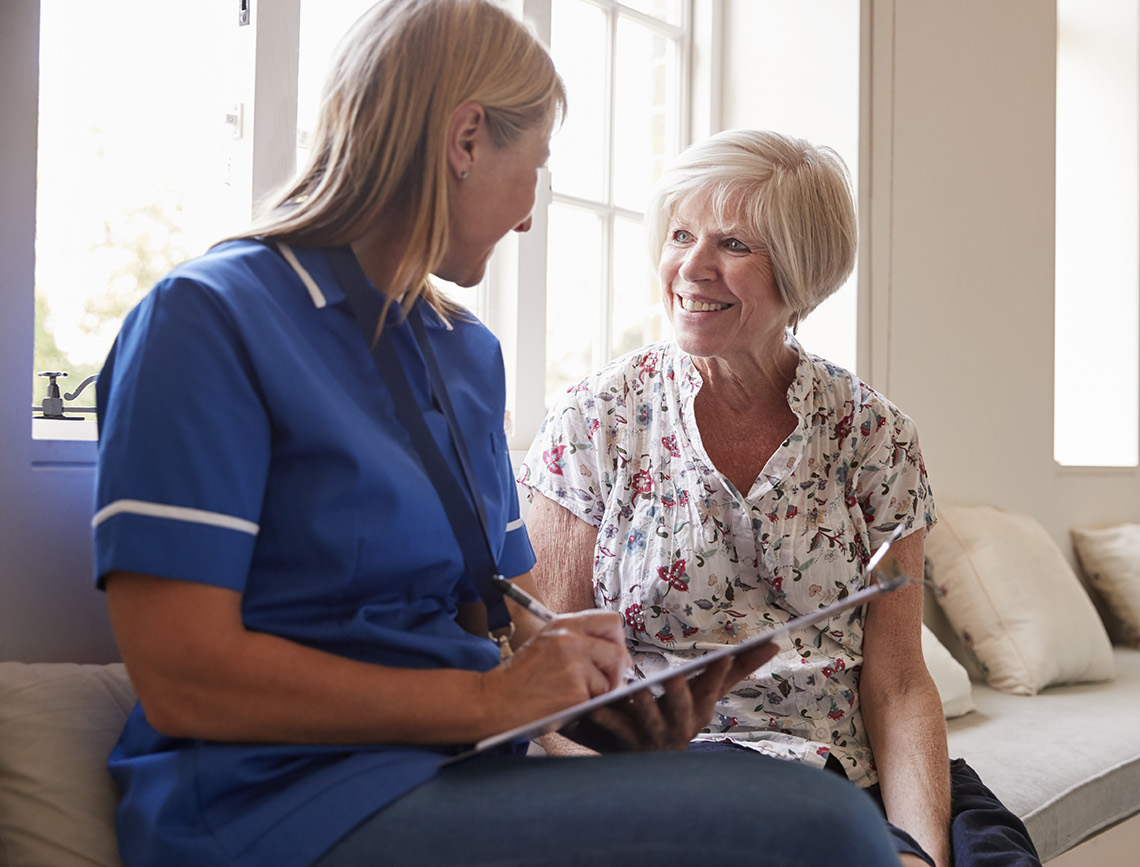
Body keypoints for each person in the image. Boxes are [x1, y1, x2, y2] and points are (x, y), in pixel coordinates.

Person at [91, 4, 906, 866]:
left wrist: (612, 708)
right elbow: (184, 679)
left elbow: (515, 619)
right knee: (823, 829)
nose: (527, 217)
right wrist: (489, 704)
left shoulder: (464, 353)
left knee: (818, 812)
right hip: (281, 796)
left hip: (464, 770)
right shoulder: (208, 321)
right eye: (537, 168)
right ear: (467, 139)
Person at [518, 129, 1041, 867]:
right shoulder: (596, 418)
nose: (690, 268)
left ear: (800, 273)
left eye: (732, 243)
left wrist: (920, 853)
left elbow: (896, 681)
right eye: (679, 234)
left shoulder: (875, 433)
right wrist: (634, 815)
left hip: (836, 778)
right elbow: (554, 689)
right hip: (659, 783)